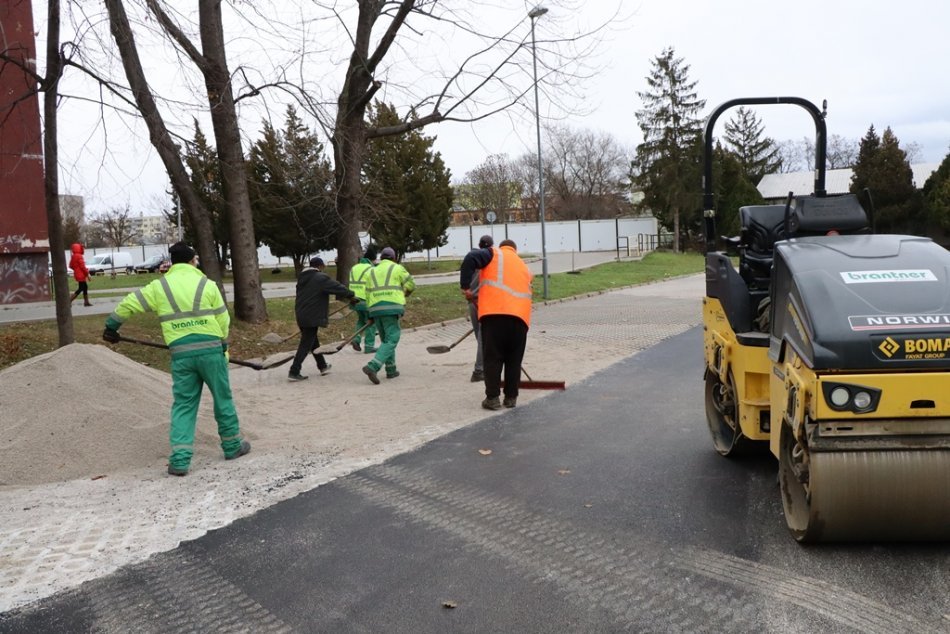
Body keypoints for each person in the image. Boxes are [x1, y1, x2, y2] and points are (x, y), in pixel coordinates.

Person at [102, 241, 250, 476]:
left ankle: (180, 460)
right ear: (192, 261)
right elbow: (223, 318)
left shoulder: (160, 286)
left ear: (172, 262)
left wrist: (111, 326)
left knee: (184, 405)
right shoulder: (207, 284)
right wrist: (223, 345)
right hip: (211, 351)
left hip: (181, 354)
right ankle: (232, 445)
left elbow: (129, 303)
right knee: (222, 398)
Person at [459, 238, 533, 410]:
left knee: (493, 357)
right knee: (514, 360)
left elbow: (470, 258)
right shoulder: (524, 266)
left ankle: (492, 398)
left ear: (502, 247)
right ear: (515, 250)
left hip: (494, 315)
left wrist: (466, 287)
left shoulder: (494, 254)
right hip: (520, 319)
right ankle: (511, 398)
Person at [288, 257, 357, 382]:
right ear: (320, 266)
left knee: (313, 342)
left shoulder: (302, 278)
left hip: (301, 314)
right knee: (305, 344)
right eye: (323, 266)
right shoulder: (320, 278)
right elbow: (337, 287)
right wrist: (351, 295)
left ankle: (322, 366)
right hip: (311, 316)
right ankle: (294, 371)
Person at [362, 246, 415, 384]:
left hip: (375, 309)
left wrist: (370, 314)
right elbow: (411, 284)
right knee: (392, 338)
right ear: (394, 258)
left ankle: (391, 369)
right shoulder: (397, 268)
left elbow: (367, 293)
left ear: (381, 258)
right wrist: (406, 293)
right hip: (391, 307)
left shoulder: (371, 271)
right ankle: (373, 366)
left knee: (386, 340)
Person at [464, 235, 494, 382]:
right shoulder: (489, 262)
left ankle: (484, 366)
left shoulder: (471, 261)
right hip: (483, 304)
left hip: (472, 304)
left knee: (480, 338)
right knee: (484, 340)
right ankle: (479, 370)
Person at [348, 246, 378, 354]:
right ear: (372, 259)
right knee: (371, 322)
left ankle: (356, 340)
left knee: (361, 320)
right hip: (366, 300)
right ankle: (369, 346)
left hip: (354, 300)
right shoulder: (371, 269)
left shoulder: (354, 268)